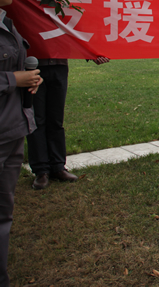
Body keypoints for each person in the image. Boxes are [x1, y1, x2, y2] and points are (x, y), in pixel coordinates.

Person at [0, 0, 43, 286]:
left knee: (5, 211)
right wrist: (16, 78)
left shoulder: (7, 24)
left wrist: (29, 79)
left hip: (14, 127)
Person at [28, 56, 109, 190]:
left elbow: (75, 35)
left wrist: (91, 53)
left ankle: (58, 166)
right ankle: (41, 170)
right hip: (33, 67)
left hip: (59, 66)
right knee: (37, 120)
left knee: (56, 119)